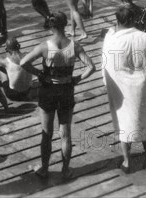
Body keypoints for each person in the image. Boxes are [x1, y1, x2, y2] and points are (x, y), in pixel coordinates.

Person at [20, 12, 95, 180]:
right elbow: (91, 67)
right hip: (66, 90)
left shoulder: (44, 46)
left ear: (51, 26)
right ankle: (65, 170)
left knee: (46, 132)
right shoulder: (74, 46)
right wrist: (77, 79)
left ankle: (44, 169)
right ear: (65, 24)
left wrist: (39, 74)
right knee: (66, 133)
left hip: (48, 91)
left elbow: (23, 62)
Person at [102, 5, 146, 173]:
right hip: (142, 87)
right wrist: (145, 78)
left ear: (117, 20)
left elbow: (106, 65)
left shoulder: (111, 38)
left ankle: (127, 162)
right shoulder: (144, 38)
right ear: (132, 20)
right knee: (144, 120)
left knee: (124, 122)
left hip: (119, 88)